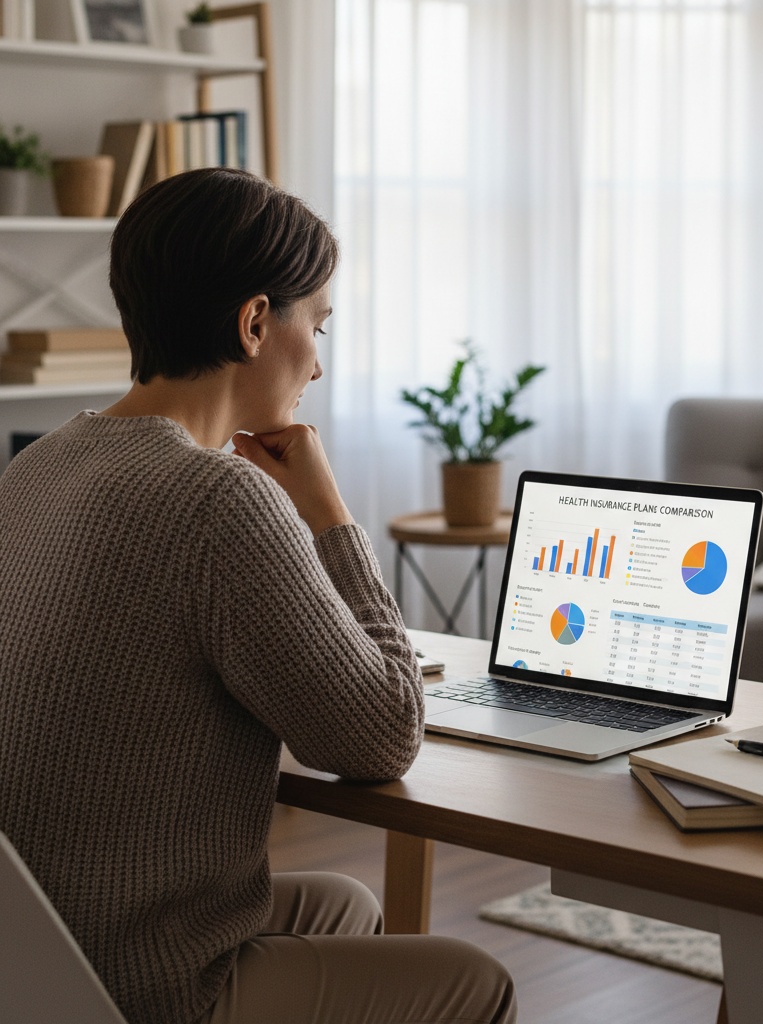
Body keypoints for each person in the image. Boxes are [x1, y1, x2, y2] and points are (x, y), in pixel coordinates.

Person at [0, 167, 517, 1024]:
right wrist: (329, 512)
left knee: (342, 907)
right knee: (477, 981)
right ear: (253, 323)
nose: (318, 360)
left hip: (32, 950)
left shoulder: (37, 464)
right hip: (139, 984)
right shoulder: (217, 498)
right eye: (317, 324)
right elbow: (382, 734)